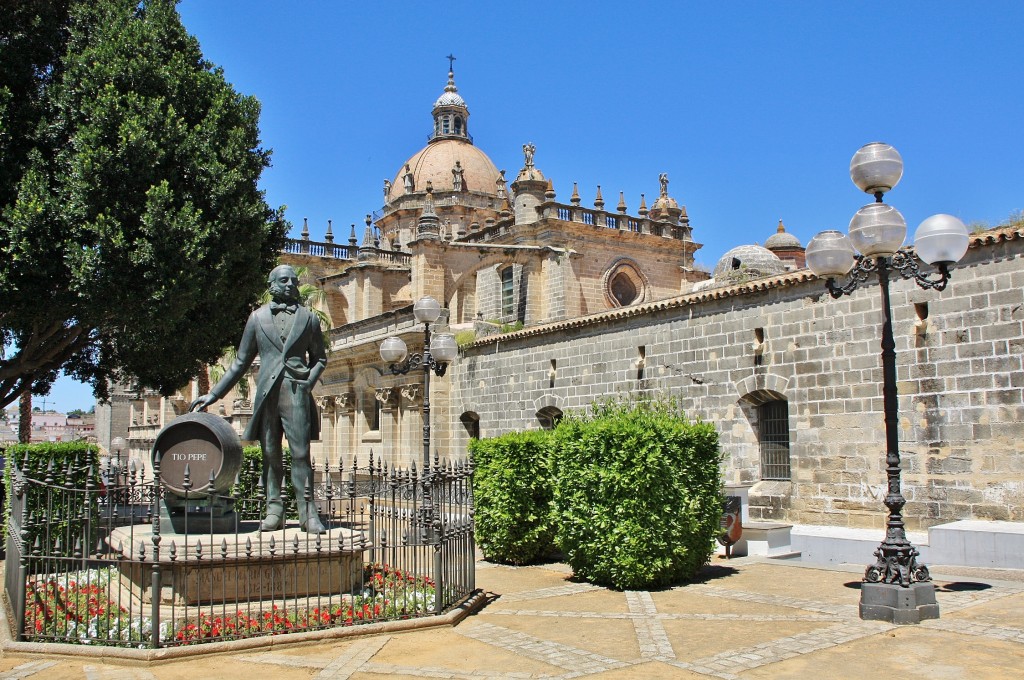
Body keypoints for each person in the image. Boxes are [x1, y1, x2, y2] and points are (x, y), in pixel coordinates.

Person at [190, 265, 328, 533]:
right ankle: (274, 509)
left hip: (295, 391)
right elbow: (240, 363)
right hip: (266, 393)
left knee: (301, 453)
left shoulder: (309, 319)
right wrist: (214, 394)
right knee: (269, 453)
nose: (290, 284)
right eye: (284, 280)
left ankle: (308, 512)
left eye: (294, 280)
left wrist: (308, 382)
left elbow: (320, 358)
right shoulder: (257, 318)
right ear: (272, 284)